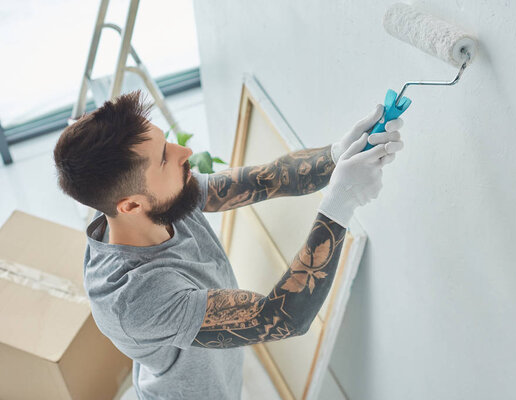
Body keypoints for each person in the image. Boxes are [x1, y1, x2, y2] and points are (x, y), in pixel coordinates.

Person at [53, 90, 404, 399]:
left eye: (167, 142)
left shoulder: (162, 201)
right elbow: (283, 318)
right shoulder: (135, 299)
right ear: (131, 205)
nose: (185, 151)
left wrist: (336, 155)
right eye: (164, 158)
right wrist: (341, 204)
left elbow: (263, 180)